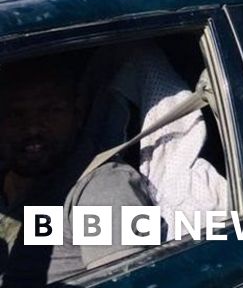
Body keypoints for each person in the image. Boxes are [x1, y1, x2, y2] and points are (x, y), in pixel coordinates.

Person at [0, 56, 153, 286]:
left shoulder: (101, 187)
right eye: (16, 114)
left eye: (50, 110)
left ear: (77, 113)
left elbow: (127, 282)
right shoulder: (9, 178)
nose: (32, 127)